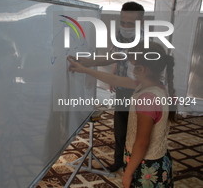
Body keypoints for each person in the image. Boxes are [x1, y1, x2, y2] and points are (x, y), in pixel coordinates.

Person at [67, 41, 175, 188]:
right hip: (157, 159)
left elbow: (142, 142)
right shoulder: (154, 86)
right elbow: (115, 79)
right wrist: (85, 69)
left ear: (142, 69)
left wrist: (128, 173)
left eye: (132, 65)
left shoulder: (147, 99)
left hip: (146, 166)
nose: (129, 68)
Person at [69, 1, 145, 172]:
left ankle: (137, 167)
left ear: (140, 22)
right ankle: (119, 161)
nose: (125, 26)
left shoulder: (145, 43)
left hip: (140, 94)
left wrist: (86, 69)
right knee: (120, 130)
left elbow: (136, 80)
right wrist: (85, 61)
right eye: (123, 22)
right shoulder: (121, 36)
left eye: (130, 23)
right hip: (123, 91)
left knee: (139, 133)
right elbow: (111, 57)